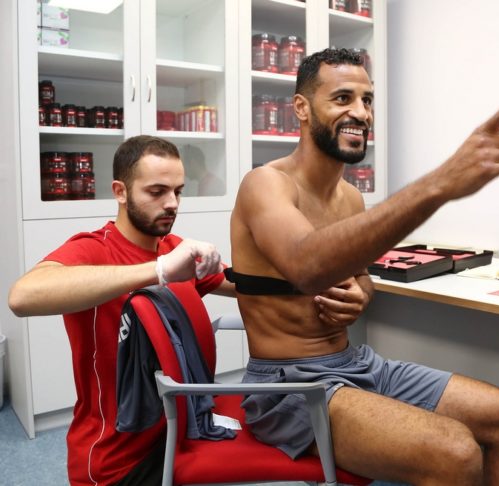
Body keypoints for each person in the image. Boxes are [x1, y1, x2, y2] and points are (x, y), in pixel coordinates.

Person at [229, 48, 499, 485]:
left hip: (355, 364)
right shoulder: (265, 184)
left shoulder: (351, 198)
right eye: (342, 98)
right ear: (301, 108)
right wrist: (439, 184)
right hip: (286, 386)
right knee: (455, 451)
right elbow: (306, 265)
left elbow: (361, 277)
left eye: (367, 100)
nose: (361, 113)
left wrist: (362, 293)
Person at [7, 135, 365, 486]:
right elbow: (22, 296)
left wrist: (320, 279)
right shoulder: (95, 249)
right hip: (117, 458)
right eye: (156, 192)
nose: (172, 203)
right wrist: (159, 270)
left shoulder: (174, 248)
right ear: (120, 192)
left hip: (182, 423)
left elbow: (249, 285)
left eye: (178, 191)